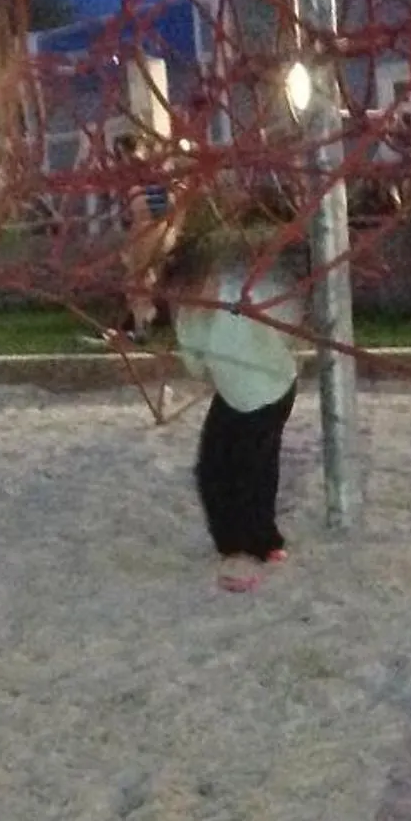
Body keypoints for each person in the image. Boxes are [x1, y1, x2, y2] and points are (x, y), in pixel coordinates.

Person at [164, 232, 302, 593]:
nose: (196, 297)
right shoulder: (189, 320)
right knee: (210, 467)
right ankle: (231, 543)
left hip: (270, 393)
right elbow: (197, 369)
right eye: (185, 294)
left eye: (202, 286)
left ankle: (261, 543)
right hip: (232, 394)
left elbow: (286, 320)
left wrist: (260, 324)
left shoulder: (243, 302)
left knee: (253, 468)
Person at [111, 132, 179, 347]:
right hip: (151, 225)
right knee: (141, 280)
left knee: (138, 280)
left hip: (149, 226)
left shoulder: (142, 171)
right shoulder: (144, 172)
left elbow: (163, 201)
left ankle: (143, 324)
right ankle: (141, 323)